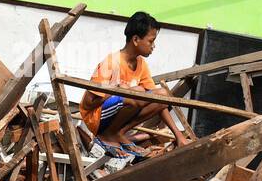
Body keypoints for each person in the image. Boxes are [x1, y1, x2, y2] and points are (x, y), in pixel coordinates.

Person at [78, 11, 189, 157]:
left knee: (162, 94)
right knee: (135, 91)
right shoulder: (111, 62)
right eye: (151, 41)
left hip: (114, 118)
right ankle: (107, 135)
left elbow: (160, 101)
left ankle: (118, 133)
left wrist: (178, 136)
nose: (153, 46)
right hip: (96, 119)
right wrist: (117, 90)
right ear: (136, 39)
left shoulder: (141, 64)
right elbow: (87, 104)